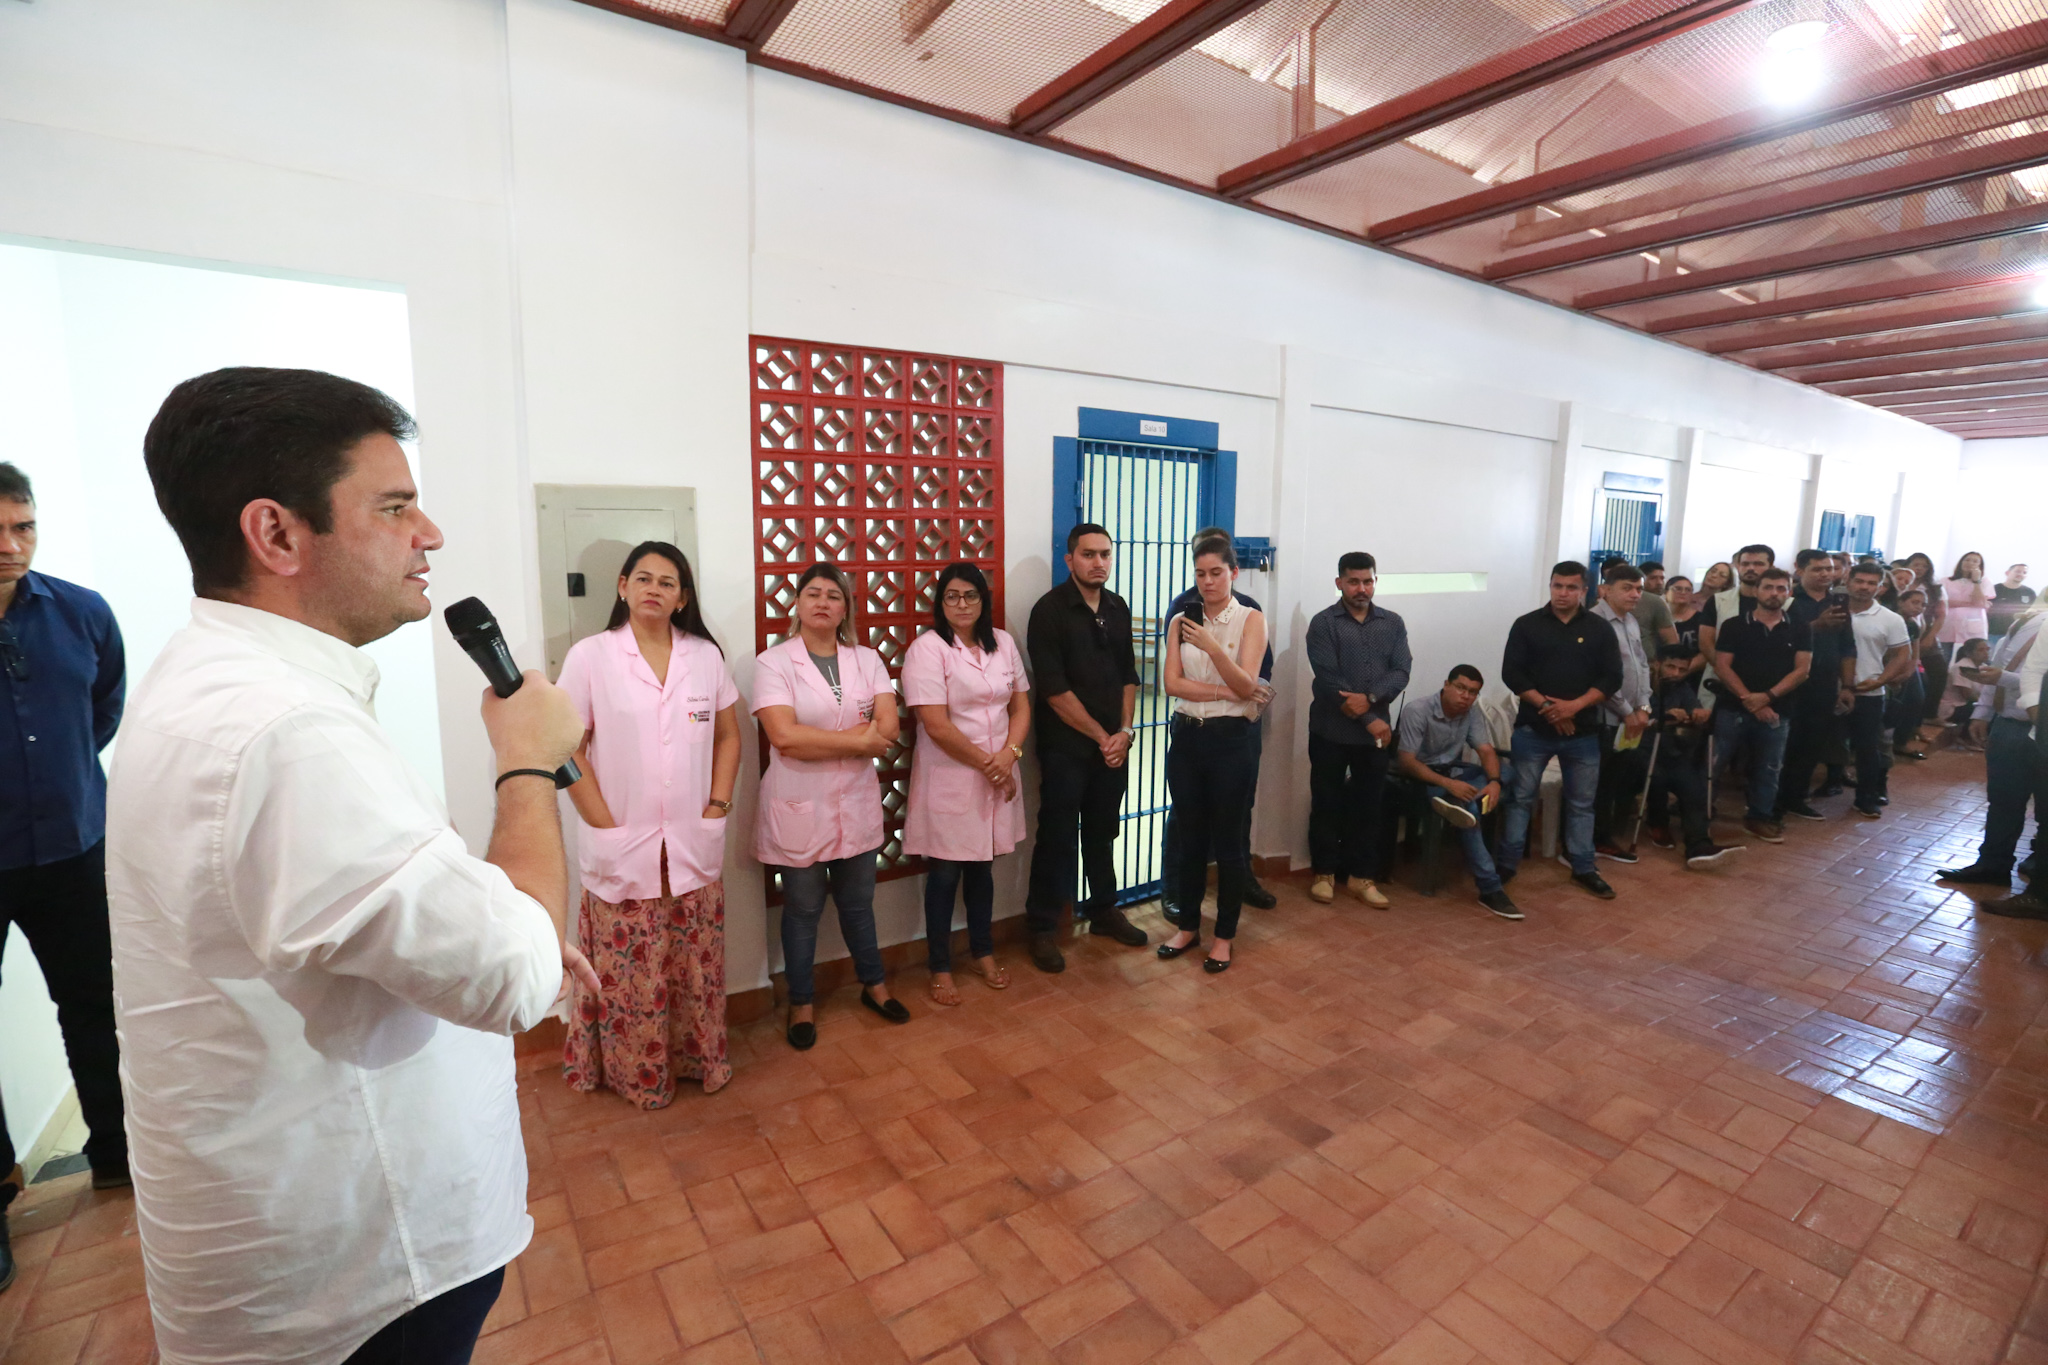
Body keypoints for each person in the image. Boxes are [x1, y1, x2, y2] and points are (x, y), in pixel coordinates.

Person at [109, 368, 597, 1363]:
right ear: (277, 535)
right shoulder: (285, 730)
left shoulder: (213, 679)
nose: (431, 533)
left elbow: (362, 904)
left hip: (315, 1245)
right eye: (393, 505)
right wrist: (527, 765)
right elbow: (510, 977)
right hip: (361, 1275)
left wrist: (504, 919)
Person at [0, 462, 127, 1297]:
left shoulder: (81, 612)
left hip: (75, 849)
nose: (12, 547)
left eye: (25, 527)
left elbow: (103, 707)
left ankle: (118, 1156)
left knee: (95, 1004)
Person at [557, 541, 739, 1104]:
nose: (654, 589)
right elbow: (563, 748)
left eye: (668, 582)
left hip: (690, 839)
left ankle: (696, 1061)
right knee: (628, 971)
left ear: (683, 597)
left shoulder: (705, 657)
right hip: (623, 839)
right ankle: (637, 1075)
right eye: (644, 578)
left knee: (693, 966)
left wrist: (718, 805)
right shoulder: (591, 656)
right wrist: (603, 822)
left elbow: (729, 736)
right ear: (622, 586)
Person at [753, 562, 907, 1048]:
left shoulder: (868, 659)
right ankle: (801, 1002)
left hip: (855, 805)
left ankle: (874, 985)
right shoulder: (773, 663)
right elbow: (783, 737)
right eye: (813, 593)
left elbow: (889, 727)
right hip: (799, 804)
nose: (823, 602)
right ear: (796, 604)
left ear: (845, 609)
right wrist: (859, 744)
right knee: (801, 909)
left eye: (833, 596)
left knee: (859, 904)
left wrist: (841, 741)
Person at [902, 562, 1029, 1007]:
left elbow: (1020, 708)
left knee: (983, 870)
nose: (961, 604)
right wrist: (989, 764)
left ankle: (983, 952)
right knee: (943, 875)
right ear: (940, 602)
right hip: (951, 776)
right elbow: (935, 724)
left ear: (983, 600)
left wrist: (1008, 757)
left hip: (997, 772)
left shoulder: (1004, 644)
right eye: (952, 596)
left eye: (970, 596)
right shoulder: (928, 649)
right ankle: (939, 966)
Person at [1023, 525, 1148, 973]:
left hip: (1113, 746)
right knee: (1056, 836)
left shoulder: (1117, 608)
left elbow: (1129, 677)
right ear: (1069, 559)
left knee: (1104, 830)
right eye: (1089, 554)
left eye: (1105, 555)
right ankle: (1041, 927)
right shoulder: (1049, 611)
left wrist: (1126, 732)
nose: (1099, 562)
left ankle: (1103, 911)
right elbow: (1054, 692)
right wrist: (1102, 736)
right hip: (1066, 748)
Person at [1157, 536, 1267, 971]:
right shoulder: (1179, 620)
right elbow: (1172, 685)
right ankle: (1187, 927)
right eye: (1200, 573)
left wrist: (1212, 647)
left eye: (1216, 573)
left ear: (1233, 573)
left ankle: (1224, 936)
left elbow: (1249, 685)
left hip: (1230, 741)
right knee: (1190, 838)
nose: (1207, 582)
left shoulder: (1251, 619)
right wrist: (1225, 688)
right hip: (1186, 738)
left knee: (1229, 841)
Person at [1497, 562, 1622, 899]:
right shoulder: (1527, 625)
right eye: (1557, 586)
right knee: (1521, 798)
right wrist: (1550, 709)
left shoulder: (1599, 629)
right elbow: (1512, 673)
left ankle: (1583, 867)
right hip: (1533, 730)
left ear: (1585, 591)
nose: (1562, 593)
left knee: (1582, 803)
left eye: (1570, 587)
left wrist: (1574, 707)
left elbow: (1611, 678)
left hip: (1582, 733)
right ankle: (1507, 864)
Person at [1304, 551, 1413, 908]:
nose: (1362, 588)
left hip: (1375, 737)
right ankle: (1324, 874)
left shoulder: (1393, 623)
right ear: (1339, 583)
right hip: (1330, 731)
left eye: (1368, 581)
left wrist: (1369, 698)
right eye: (1353, 581)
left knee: (1370, 806)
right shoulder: (1323, 623)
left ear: (1375, 581)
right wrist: (1369, 715)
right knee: (1327, 803)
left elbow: (1401, 670)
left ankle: (1361, 877)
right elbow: (1328, 679)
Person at [1937, 603, 2046, 905]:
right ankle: (1993, 864)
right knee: (2002, 800)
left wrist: (2003, 678)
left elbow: (2035, 682)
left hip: (2042, 726)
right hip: (2009, 723)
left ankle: (2039, 883)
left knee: (2045, 809)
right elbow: (1993, 671)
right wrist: (1982, 713)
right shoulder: (2024, 622)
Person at [1393, 665, 1518, 919]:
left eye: (1473, 692)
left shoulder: (1471, 713)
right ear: (1446, 684)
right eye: (1461, 688)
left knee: (1508, 773)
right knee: (1469, 809)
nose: (1466, 696)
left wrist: (1493, 782)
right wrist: (1450, 785)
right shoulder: (1418, 710)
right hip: (1422, 779)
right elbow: (1406, 762)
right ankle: (1490, 888)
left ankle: (1464, 800)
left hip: (1455, 772)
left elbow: (1485, 750)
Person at [1711, 566, 1811, 843]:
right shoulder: (1734, 625)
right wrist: (1750, 700)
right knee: (1715, 763)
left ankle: (1759, 817)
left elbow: (1802, 671)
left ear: (1789, 593)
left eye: (1781, 588)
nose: (1774, 593)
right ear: (1756, 590)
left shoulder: (1799, 627)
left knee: (1769, 767)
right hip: (1732, 708)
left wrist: (1766, 697)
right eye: (1768, 587)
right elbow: (1722, 667)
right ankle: (1701, 811)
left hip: (1778, 710)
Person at [1643, 645, 1743, 870]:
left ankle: (1699, 846)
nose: (1675, 674)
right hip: (1643, 750)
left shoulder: (1682, 687)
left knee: (1694, 786)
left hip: (1672, 751)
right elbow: (1637, 709)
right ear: (1658, 663)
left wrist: (1698, 714)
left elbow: (1694, 707)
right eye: (1670, 667)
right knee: (1656, 777)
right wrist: (1664, 716)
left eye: (1682, 669)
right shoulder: (1642, 684)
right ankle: (1657, 823)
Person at [1777, 549, 1852, 820]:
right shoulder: (1787, 600)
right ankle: (1772, 798)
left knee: (1812, 743)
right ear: (1801, 571)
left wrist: (1847, 686)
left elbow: (1848, 647)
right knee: (1785, 742)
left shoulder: (1839, 601)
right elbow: (1778, 638)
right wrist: (1816, 625)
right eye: (1818, 569)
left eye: (1830, 569)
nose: (1825, 574)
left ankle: (1796, 797)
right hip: (1789, 681)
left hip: (1824, 682)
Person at [1590, 563, 1654, 863]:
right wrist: (1628, 711)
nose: (1635, 594)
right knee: (1599, 783)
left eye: (1639, 588)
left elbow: (1642, 666)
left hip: (1630, 717)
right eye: (1627, 588)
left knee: (1619, 779)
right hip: (1604, 719)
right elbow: (1600, 676)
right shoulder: (1594, 622)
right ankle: (1594, 840)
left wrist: (1643, 706)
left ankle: (1606, 835)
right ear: (1606, 590)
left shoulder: (1630, 621)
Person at [1843, 562, 1913, 820]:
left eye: (1871, 583)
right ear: (1848, 581)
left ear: (1880, 587)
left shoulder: (1890, 619)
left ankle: (1866, 798)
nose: (1864, 587)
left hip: (1868, 692)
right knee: (1817, 743)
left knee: (1867, 749)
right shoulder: (1831, 610)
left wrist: (1880, 680)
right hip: (1828, 688)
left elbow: (1902, 654)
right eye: (1860, 581)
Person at [1942, 553, 1990, 657]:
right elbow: (1943, 601)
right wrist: (1969, 604)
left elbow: (1980, 603)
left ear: (1980, 566)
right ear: (1961, 562)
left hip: (1972, 626)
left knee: (1968, 659)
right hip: (1948, 623)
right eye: (1967, 560)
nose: (1970, 563)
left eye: (1975, 561)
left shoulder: (1984, 582)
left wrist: (1976, 581)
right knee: (1943, 657)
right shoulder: (1945, 581)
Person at [1633, 560, 1679, 649]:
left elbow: (1671, 639)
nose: (1659, 583)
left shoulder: (1659, 602)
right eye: (1653, 578)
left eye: (1662, 578)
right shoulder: (1630, 600)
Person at [1990, 563, 2034, 640]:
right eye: (2017, 571)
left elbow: (2033, 612)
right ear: (2007, 573)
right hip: (1994, 634)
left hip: (2018, 635)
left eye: (2024, 573)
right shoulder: (1994, 589)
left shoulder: (2029, 592)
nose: (2020, 574)